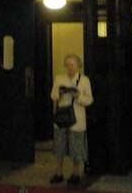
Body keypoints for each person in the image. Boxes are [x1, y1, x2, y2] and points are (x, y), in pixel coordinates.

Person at [50, 53, 93, 185]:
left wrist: (78, 96)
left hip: (77, 118)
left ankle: (75, 173)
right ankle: (58, 172)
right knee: (60, 145)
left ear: (78, 65)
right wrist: (60, 93)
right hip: (62, 118)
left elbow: (89, 99)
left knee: (76, 146)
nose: (70, 67)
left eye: (72, 65)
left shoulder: (84, 80)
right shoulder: (59, 78)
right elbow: (53, 95)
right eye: (68, 65)